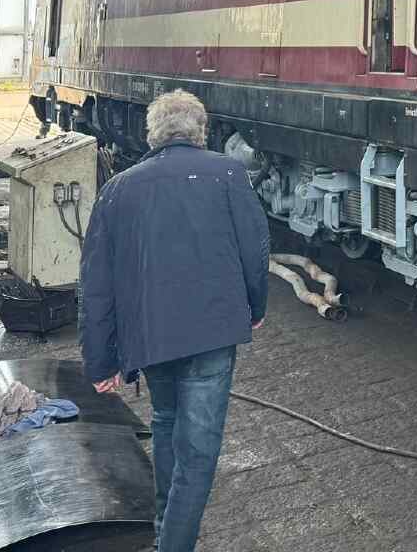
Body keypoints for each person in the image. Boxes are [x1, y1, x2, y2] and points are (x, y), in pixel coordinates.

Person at [81, 89, 270, 552]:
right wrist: (256, 307)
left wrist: (101, 362)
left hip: (151, 337)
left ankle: (165, 529)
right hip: (212, 333)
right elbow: (255, 250)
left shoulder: (118, 189)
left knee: (166, 420)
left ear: (153, 134)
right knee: (199, 456)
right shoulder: (228, 173)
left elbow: (96, 283)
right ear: (201, 131)